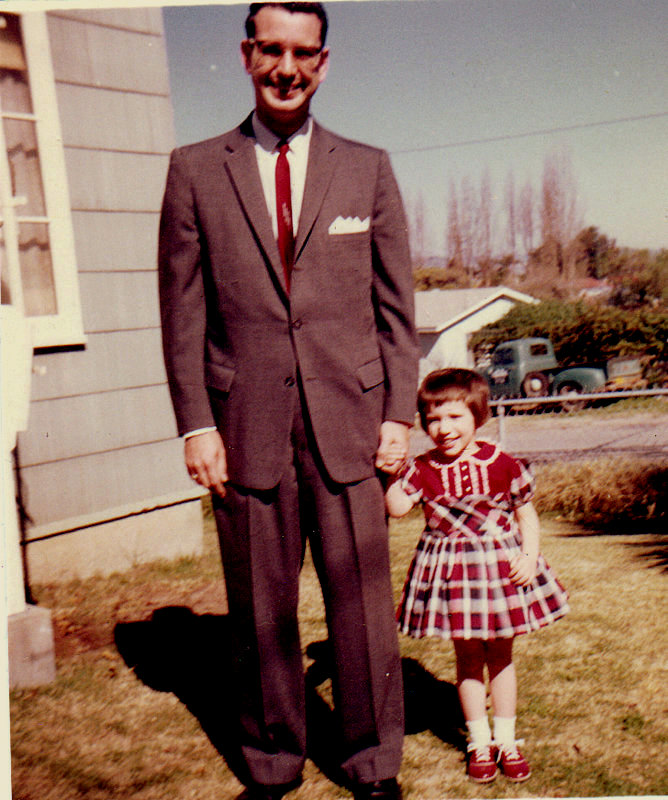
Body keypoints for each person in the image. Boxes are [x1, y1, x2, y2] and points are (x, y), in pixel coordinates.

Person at [158, 3, 419, 799]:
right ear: (246, 55)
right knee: (259, 608)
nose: (286, 68)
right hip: (245, 425)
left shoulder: (367, 167)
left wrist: (398, 414)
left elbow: (396, 308)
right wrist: (197, 424)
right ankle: (272, 764)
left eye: (303, 53)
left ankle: (371, 762)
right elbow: (182, 310)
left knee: (362, 605)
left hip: (351, 422)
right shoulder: (195, 169)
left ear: (323, 62)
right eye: (271, 49)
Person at [385, 369, 569, 785]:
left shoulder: (502, 463)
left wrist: (529, 555)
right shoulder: (423, 468)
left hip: (498, 569)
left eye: (455, 417)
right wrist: (393, 472)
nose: (444, 428)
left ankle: (506, 740)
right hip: (453, 574)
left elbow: (526, 515)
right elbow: (397, 507)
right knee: (467, 657)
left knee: (501, 656)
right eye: (433, 419)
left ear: (478, 416)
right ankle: (479, 742)